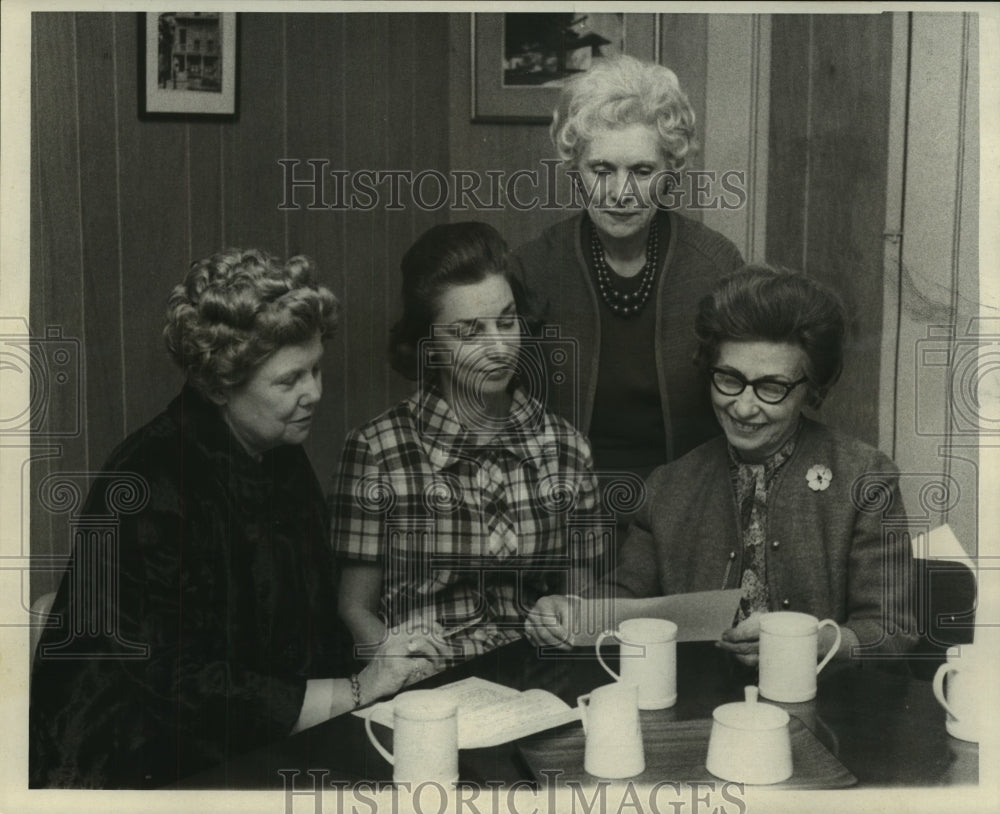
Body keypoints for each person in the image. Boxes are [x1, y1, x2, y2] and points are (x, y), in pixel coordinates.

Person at [30, 249, 444, 789]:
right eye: (288, 380)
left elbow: (307, 614)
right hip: (129, 761)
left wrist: (388, 660)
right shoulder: (146, 485)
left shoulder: (277, 452)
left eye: (316, 369)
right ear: (221, 383)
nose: (313, 393)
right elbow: (181, 685)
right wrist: (362, 689)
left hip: (249, 737)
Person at [526, 266, 917, 663]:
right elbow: (627, 597)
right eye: (729, 379)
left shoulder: (865, 478)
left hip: (823, 707)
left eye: (772, 387)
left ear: (812, 389)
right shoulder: (668, 487)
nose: (744, 407)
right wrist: (572, 611)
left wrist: (812, 643)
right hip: (692, 709)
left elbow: (891, 631)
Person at [332, 222, 602, 666]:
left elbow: (581, 596)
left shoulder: (567, 449)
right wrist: (398, 667)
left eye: (506, 320)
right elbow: (354, 608)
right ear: (429, 342)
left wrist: (566, 617)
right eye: (469, 332)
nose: (498, 348)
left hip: (538, 680)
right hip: (425, 687)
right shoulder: (376, 452)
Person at [514, 55, 745, 481]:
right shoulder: (535, 266)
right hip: (563, 502)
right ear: (575, 170)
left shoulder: (716, 265)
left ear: (670, 172)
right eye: (601, 169)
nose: (621, 193)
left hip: (687, 501)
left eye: (642, 171)